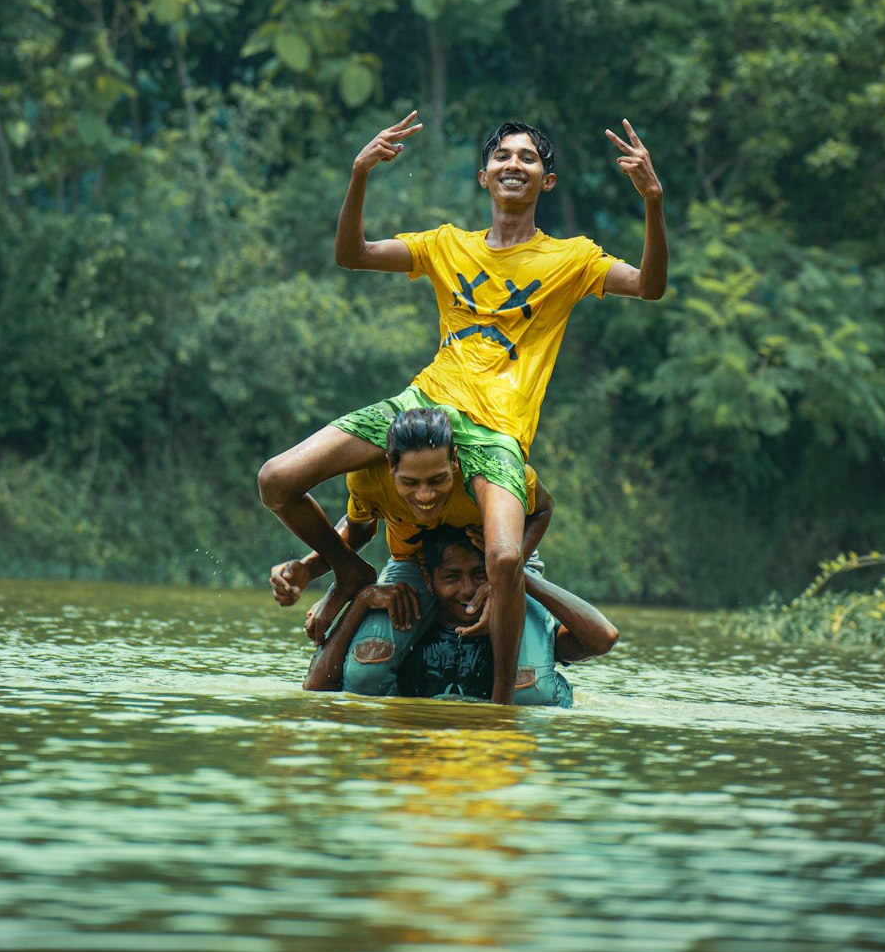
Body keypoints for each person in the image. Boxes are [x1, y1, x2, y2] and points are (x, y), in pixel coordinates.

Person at [258, 111, 667, 705]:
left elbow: (649, 285)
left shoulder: (572, 258)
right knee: (277, 479)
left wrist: (652, 200)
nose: (514, 165)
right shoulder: (447, 245)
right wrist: (359, 173)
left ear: (545, 182)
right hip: (422, 409)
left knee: (503, 558)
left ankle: (500, 703)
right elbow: (353, 255)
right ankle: (348, 571)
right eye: (503, 156)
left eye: (529, 158)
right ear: (484, 176)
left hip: (497, 432)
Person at [270, 407, 555, 688]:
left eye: (436, 480)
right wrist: (309, 568)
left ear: (454, 461)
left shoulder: (490, 471)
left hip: (498, 564)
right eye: (410, 482)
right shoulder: (368, 479)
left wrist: (502, 579)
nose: (425, 496)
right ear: (391, 467)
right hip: (415, 563)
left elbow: (542, 510)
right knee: (364, 675)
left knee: (532, 691)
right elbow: (359, 531)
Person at [303, 524, 620, 706]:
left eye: (480, 574)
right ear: (429, 580)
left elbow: (603, 638)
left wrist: (519, 576)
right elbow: (316, 688)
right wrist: (361, 600)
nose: (467, 589)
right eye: (452, 577)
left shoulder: (526, 634)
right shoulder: (410, 627)